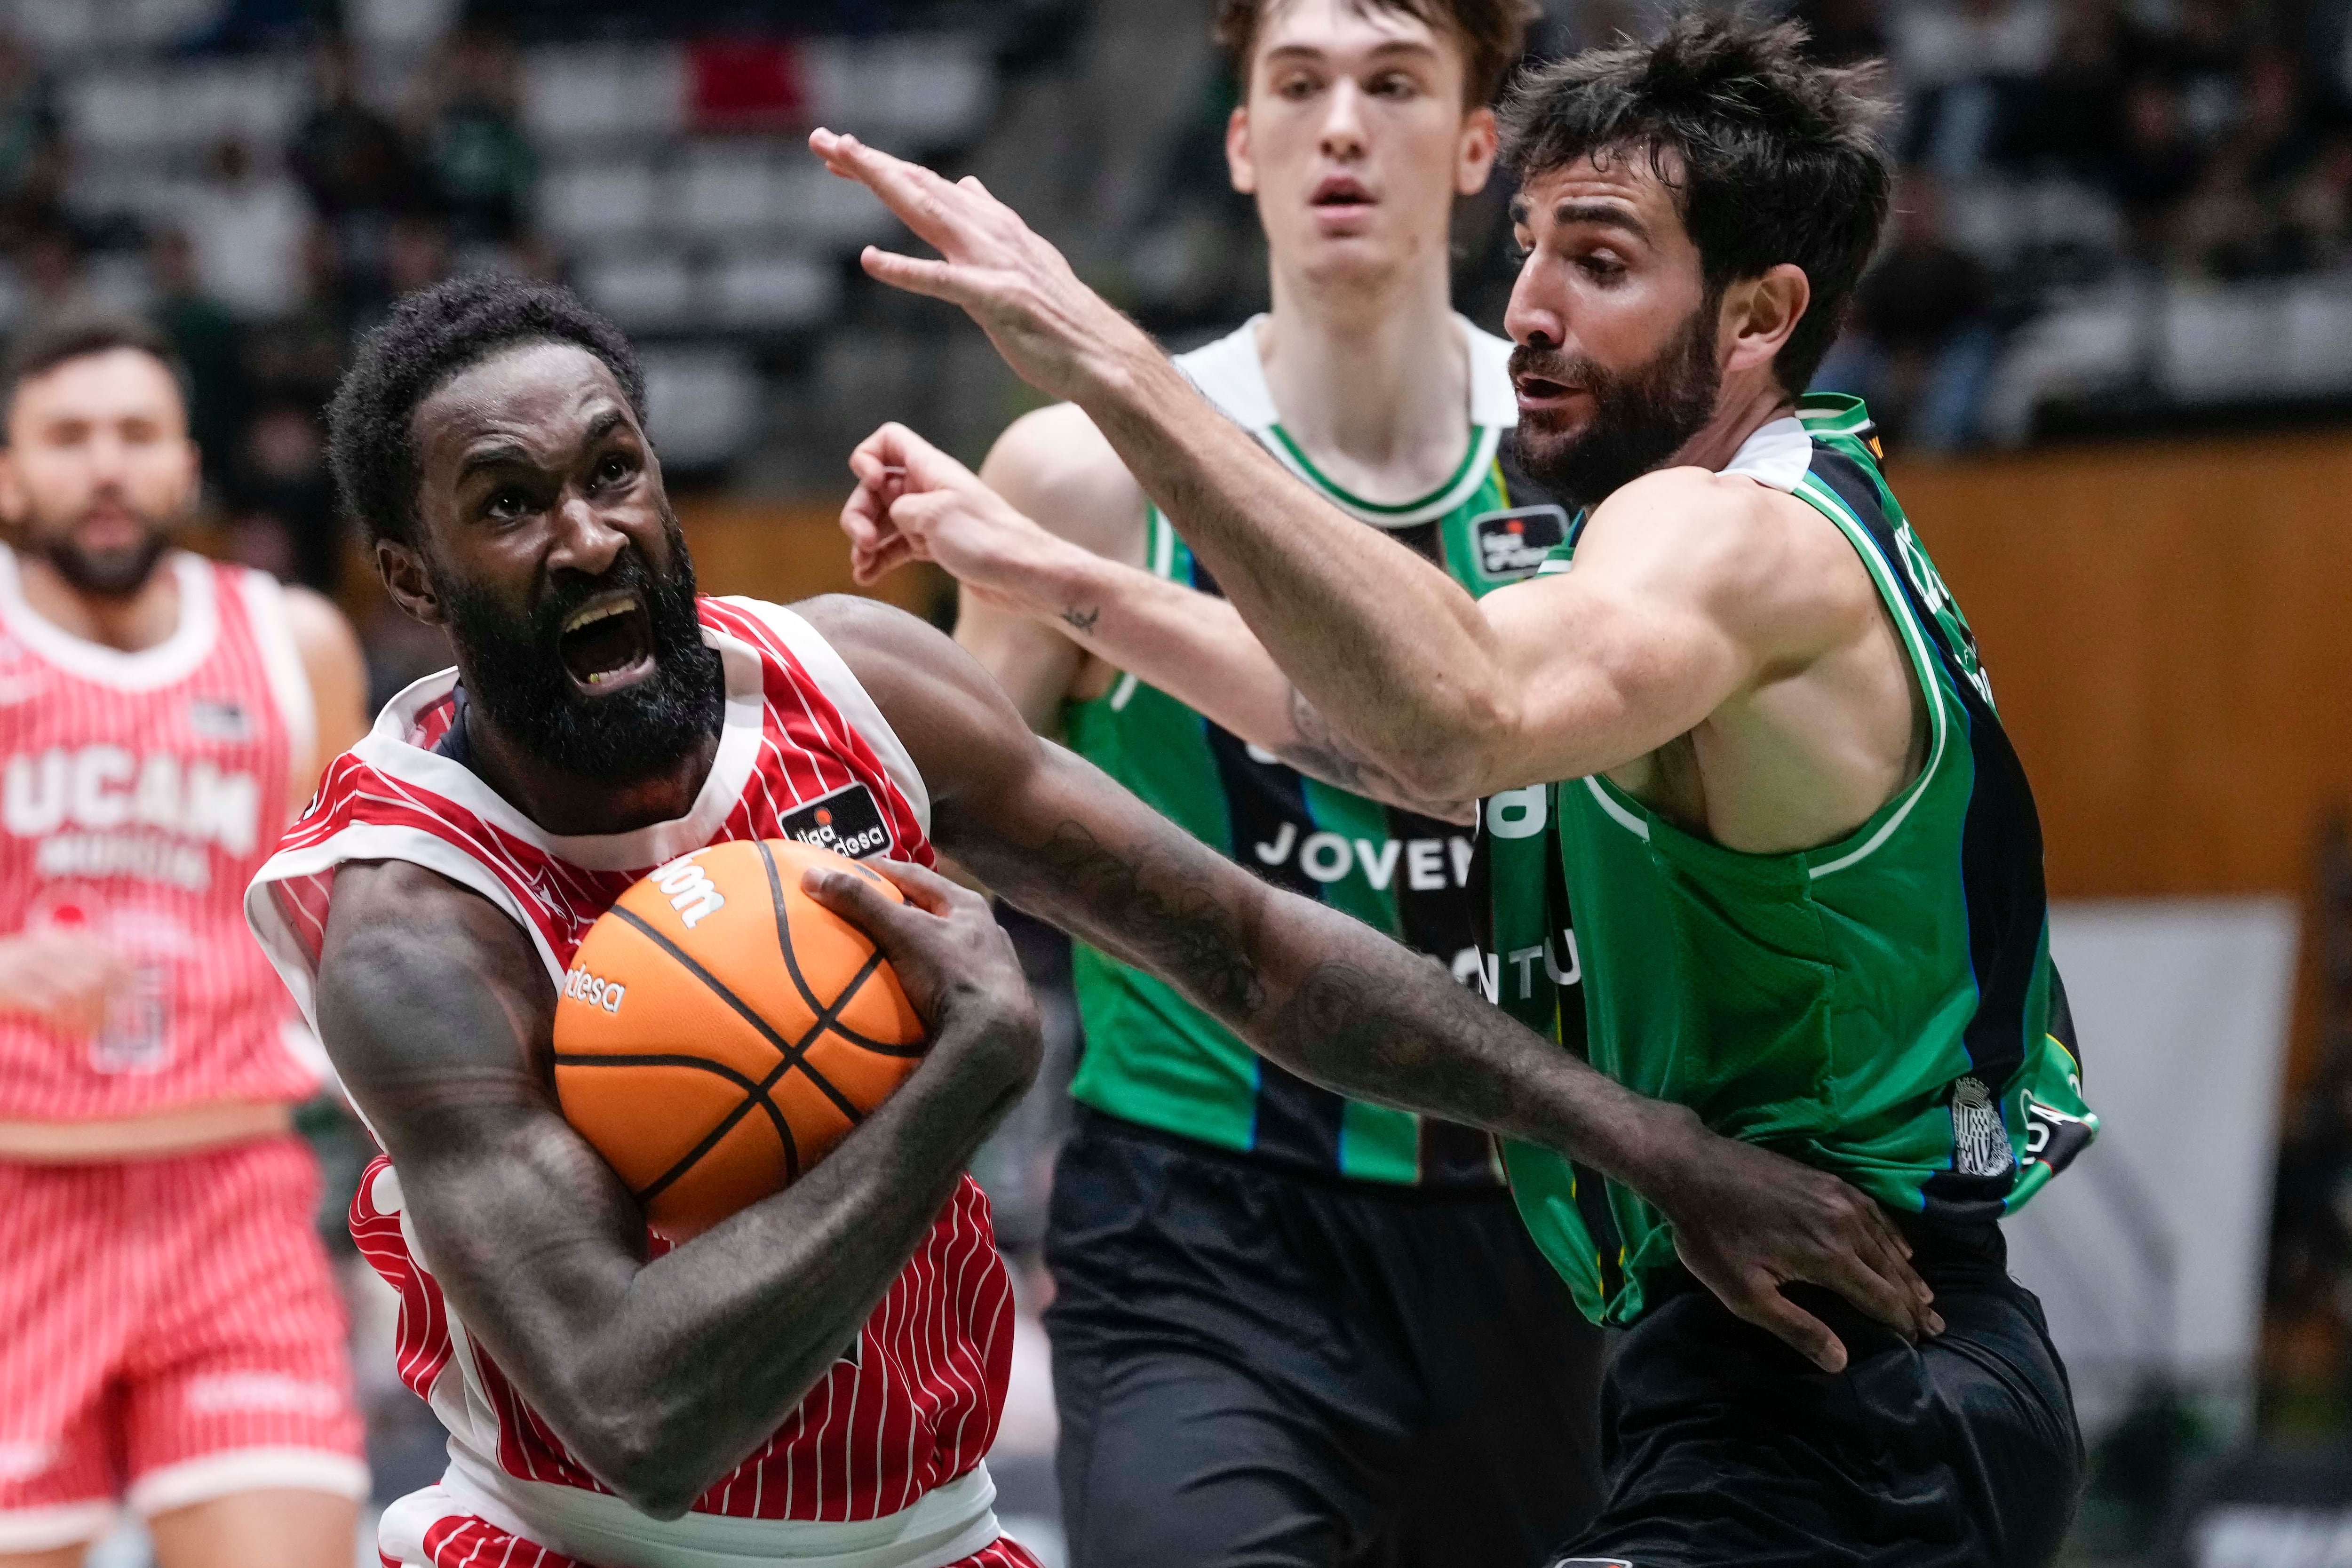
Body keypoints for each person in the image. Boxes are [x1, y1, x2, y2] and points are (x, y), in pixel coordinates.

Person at [245, 275, 1935, 1568]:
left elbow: (1253, 948)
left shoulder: (855, 679)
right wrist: (956, 1089)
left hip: (930, 1535)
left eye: (616, 470)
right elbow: (632, 1412)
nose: (590, 532)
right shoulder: (414, 914)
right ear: (412, 575)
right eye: (510, 501)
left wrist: (1650, 1143)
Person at [816, 13, 2099, 1566]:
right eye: (1534, 257)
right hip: (1751, 1356)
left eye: (1604, 265)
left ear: (1762, 316)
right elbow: (1372, 742)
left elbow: (1454, 726)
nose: (1538, 313)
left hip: (1843, 1378)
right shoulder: (1743, 528)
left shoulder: (1726, 540)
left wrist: (1103, 358)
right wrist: (1077, 583)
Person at [952, 2, 1602, 1563]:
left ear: (1473, 145)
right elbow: (935, 842)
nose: (1341, 127)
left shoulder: (1591, 461)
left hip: (1548, 1228)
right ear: (1240, 144)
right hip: (1200, 1233)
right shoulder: (1079, 476)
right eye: (1297, 87)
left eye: (1393, 86)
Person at [0, 316, 370, 1568]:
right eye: (68, 438)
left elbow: (364, 916)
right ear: (9, 474)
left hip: (233, 1196)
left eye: (135, 435)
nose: (105, 466)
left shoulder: (293, 644)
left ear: (186, 468)